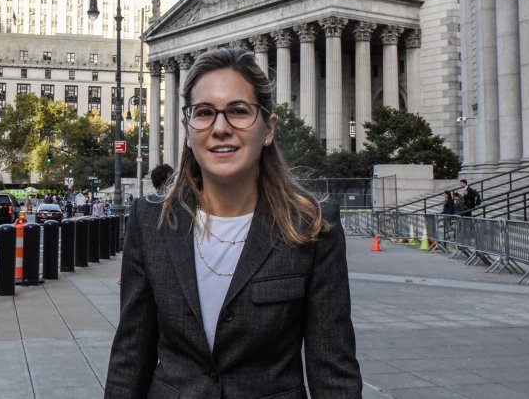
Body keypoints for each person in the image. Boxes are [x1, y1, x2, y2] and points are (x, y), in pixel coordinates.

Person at [105, 48, 362, 397]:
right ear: (188, 129)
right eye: (205, 113)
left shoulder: (312, 225)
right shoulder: (149, 221)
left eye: (239, 112)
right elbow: (130, 356)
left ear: (268, 129)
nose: (221, 128)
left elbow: (333, 369)